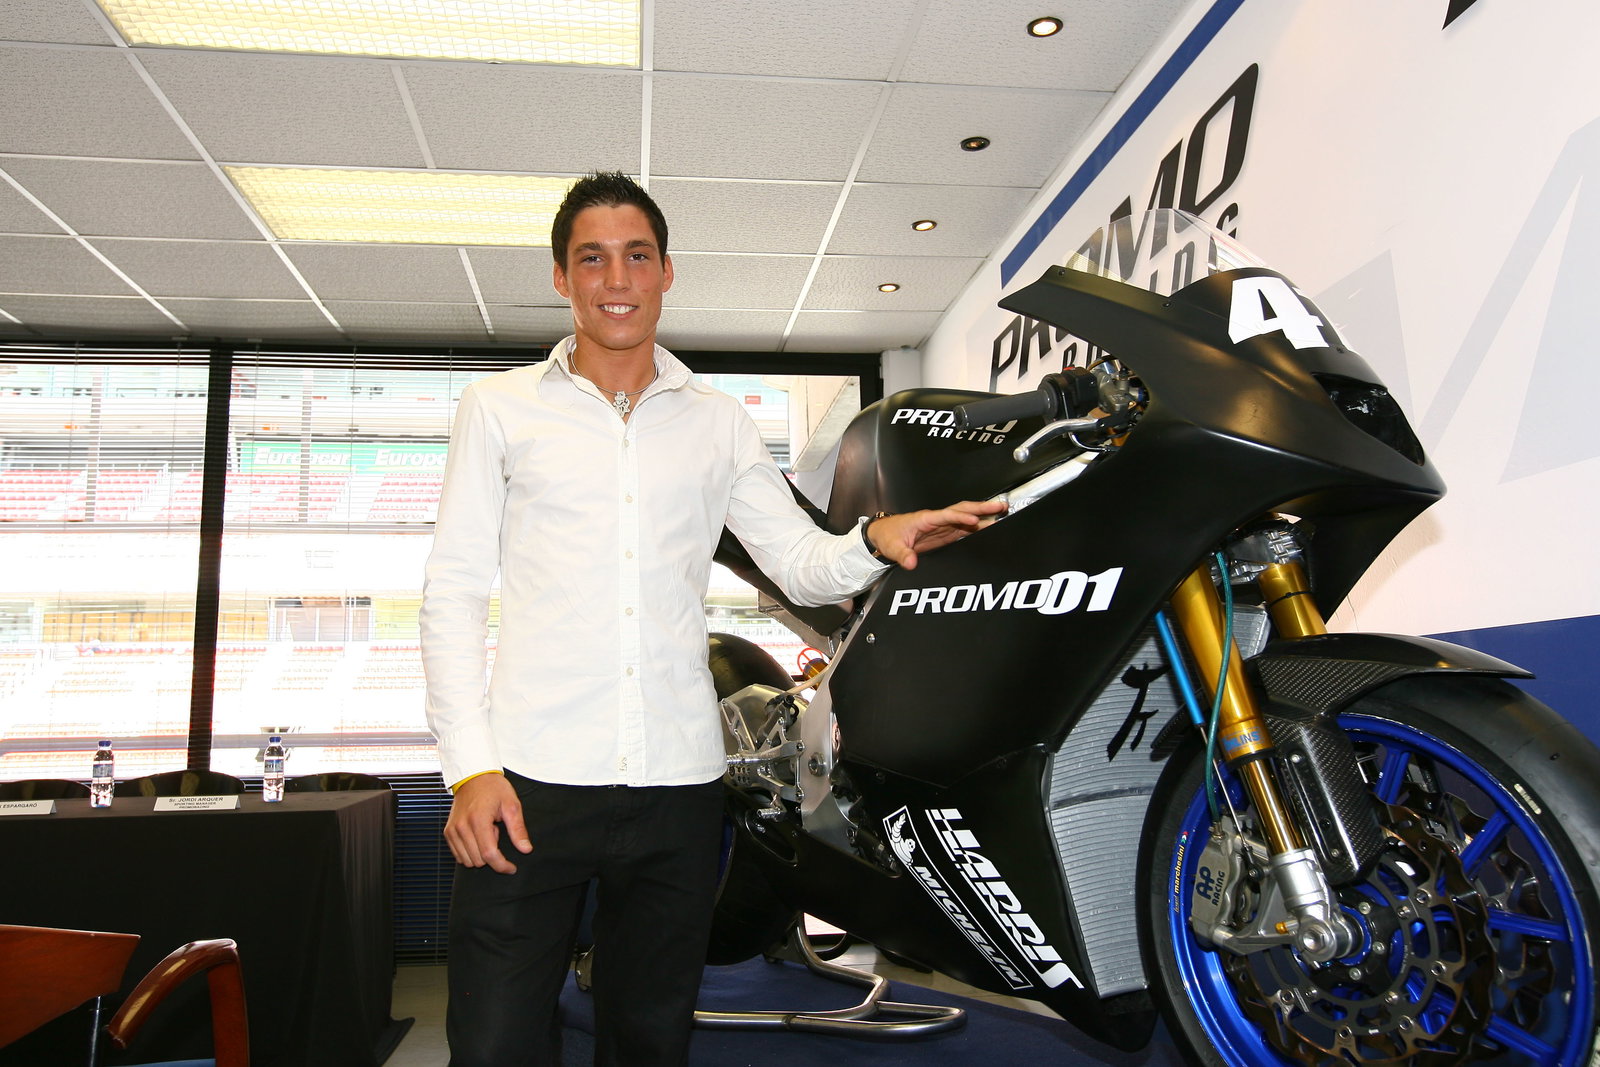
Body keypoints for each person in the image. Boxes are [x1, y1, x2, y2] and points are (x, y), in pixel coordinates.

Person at [420, 171, 1004, 1067]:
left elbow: (799, 560)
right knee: (495, 1042)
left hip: (678, 791)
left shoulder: (719, 422)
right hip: (529, 784)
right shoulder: (498, 409)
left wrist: (876, 539)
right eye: (593, 259)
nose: (617, 278)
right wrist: (468, 770)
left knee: (649, 1040)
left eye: (637, 257)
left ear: (666, 273)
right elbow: (453, 590)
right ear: (561, 279)